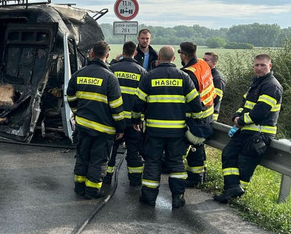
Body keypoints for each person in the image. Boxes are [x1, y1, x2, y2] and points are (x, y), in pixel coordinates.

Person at [132, 46, 206, 209]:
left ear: (159, 57)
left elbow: (138, 103)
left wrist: (136, 120)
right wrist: (197, 123)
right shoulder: (184, 77)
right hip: (177, 132)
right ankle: (178, 198)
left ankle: (149, 198)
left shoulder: (149, 77)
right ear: (173, 59)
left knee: (153, 162)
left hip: (154, 131)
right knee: (176, 163)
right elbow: (196, 105)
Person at [216, 53, 283, 203]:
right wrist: (236, 117)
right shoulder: (256, 83)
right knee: (228, 154)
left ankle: (236, 195)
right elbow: (244, 105)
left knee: (244, 165)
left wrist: (241, 121)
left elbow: (260, 111)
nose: (259, 68)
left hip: (259, 134)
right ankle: (232, 188)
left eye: (262, 65)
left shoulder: (272, 85)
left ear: (270, 66)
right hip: (246, 131)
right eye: (256, 65)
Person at [66, 40, 125, 199]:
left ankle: (79, 186)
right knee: (98, 160)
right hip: (103, 130)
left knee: (82, 156)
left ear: (92, 54)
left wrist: (78, 113)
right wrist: (121, 128)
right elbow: (117, 108)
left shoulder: (79, 74)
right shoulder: (110, 78)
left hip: (83, 126)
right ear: (107, 56)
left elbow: (70, 97)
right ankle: (92, 191)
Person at [107, 40, 147, 187]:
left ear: (123, 52)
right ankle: (135, 180)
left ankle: (106, 177)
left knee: (111, 149)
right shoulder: (142, 72)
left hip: (114, 119)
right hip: (133, 121)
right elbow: (145, 99)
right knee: (134, 150)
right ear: (135, 53)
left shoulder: (111, 69)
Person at [177, 42, 216, 188]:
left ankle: (195, 177)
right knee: (198, 145)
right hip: (208, 110)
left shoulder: (189, 73)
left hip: (197, 115)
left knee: (194, 146)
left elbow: (189, 99)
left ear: (183, 55)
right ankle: (199, 174)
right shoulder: (202, 63)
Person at [202, 51, 226, 121]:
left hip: (211, 117)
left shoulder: (218, 78)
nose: (203, 62)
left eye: (206, 60)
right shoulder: (205, 74)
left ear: (214, 63)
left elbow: (216, 99)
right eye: (203, 59)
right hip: (203, 116)